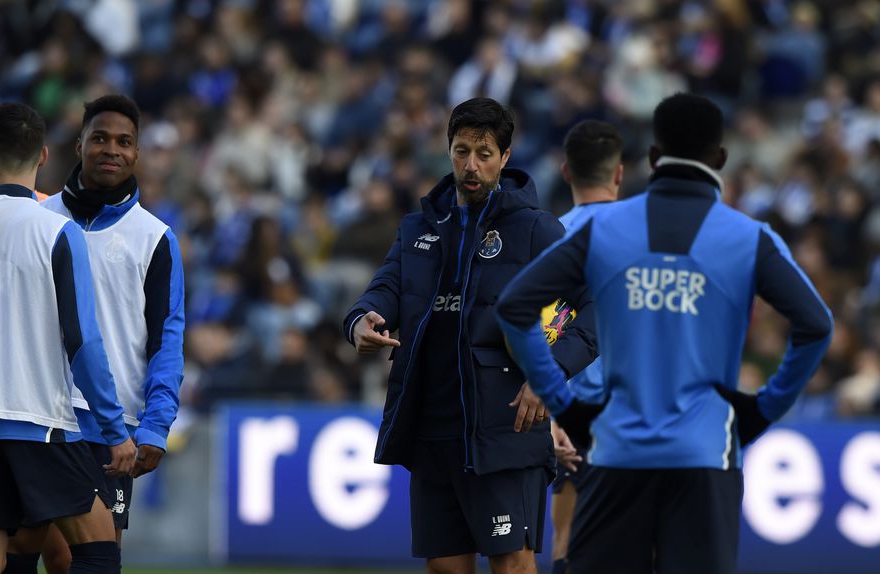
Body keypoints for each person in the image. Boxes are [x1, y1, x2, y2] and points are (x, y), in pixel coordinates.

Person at [495, 93, 833, 574]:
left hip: (615, 453)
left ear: (653, 158)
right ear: (720, 158)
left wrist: (561, 402)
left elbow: (515, 306)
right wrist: (764, 409)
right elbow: (816, 325)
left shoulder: (603, 229)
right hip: (704, 455)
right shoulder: (749, 237)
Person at [343, 97, 597, 574]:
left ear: (505, 156)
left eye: (483, 154)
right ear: (448, 151)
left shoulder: (536, 230)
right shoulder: (418, 228)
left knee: (512, 564)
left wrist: (548, 370)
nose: (471, 165)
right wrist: (361, 320)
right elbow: (385, 289)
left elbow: (587, 304)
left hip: (505, 427)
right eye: (461, 152)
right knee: (444, 567)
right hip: (431, 426)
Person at [0, 102, 136, 573]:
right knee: (99, 550)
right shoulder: (57, 231)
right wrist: (115, 430)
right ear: (41, 157)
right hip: (37, 422)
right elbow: (83, 342)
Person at [4, 94, 185, 574]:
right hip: (35, 411)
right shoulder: (38, 221)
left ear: (137, 153)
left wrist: (156, 424)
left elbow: (166, 339)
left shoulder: (155, 237)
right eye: (100, 138)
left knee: (85, 558)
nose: (112, 149)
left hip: (112, 426)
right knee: (20, 546)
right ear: (80, 144)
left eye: (125, 142)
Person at [547, 119, 623, 574]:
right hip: (636, 413)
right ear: (618, 174)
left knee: (566, 541)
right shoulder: (650, 238)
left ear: (566, 171)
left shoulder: (548, 237)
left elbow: (542, 329)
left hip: (571, 412)